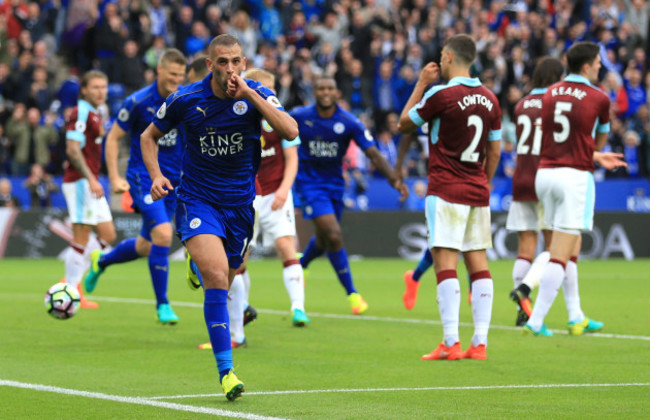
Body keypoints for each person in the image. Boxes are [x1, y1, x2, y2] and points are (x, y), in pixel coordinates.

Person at [140, 34, 298, 401]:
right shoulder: (185, 99)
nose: (230, 69)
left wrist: (251, 95)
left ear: (244, 63)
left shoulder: (255, 93)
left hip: (241, 206)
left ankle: (197, 266)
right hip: (198, 200)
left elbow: (290, 130)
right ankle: (227, 372)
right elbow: (148, 137)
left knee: (228, 275)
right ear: (210, 65)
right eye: (223, 62)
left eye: (237, 62)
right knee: (215, 275)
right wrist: (156, 176)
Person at [398, 34, 502, 361]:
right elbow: (494, 150)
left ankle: (451, 342)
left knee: (445, 264)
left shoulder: (440, 95)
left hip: (445, 188)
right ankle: (480, 343)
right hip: (477, 190)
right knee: (479, 264)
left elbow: (403, 124)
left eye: (442, 57)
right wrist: (483, 182)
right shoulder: (491, 99)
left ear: (448, 57)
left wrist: (419, 84)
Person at [523, 42, 626, 337]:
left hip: (545, 174)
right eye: (596, 63)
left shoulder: (549, 93)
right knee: (561, 252)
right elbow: (600, 140)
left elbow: (551, 135)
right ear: (585, 66)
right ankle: (536, 320)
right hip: (574, 177)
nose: (599, 67)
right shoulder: (598, 97)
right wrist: (595, 153)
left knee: (571, 247)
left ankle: (575, 315)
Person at [83, 49, 187, 325]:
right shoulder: (138, 101)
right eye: (172, 74)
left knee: (145, 246)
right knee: (164, 235)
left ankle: (101, 261)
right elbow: (114, 138)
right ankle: (163, 305)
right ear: (159, 71)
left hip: (173, 180)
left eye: (181, 75)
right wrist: (115, 177)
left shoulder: (184, 100)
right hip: (143, 176)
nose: (176, 80)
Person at [293, 76, 408, 314]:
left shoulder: (349, 122)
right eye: (321, 88)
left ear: (337, 93)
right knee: (334, 234)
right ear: (314, 92)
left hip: (335, 186)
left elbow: (373, 153)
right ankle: (353, 294)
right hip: (309, 185)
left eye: (330, 88)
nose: (325, 92)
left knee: (326, 240)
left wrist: (394, 179)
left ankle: (300, 264)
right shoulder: (300, 116)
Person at [245, 68, 309, 327]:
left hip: (275, 193)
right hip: (247, 195)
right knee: (240, 257)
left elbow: (292, 159)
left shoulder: (281, 118)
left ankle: (298, 308)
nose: (271, 94)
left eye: (273, 89)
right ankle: (242, 308)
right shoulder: (239, 117)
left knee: (286, 247)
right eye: (264, 88)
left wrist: (284, 189)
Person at [506, 57, 564, 327]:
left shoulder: (520, 105)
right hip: (545, 177)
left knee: (524, 248)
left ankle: (522, 311)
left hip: (521, 176)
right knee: (554, 249)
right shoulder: (556, 103)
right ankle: (525, 289)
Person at [61, 70, 117, 309]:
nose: (101, 91)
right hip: (81, 181)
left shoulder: (95, 113)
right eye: (95, 87)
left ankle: (71, 282)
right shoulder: (81, 112)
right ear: (84, 89)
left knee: (109, 235)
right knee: (82, 236)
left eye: (103, 87)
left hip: (90, 180)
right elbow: (72, 149)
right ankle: (72, 291)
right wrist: (91, 179)